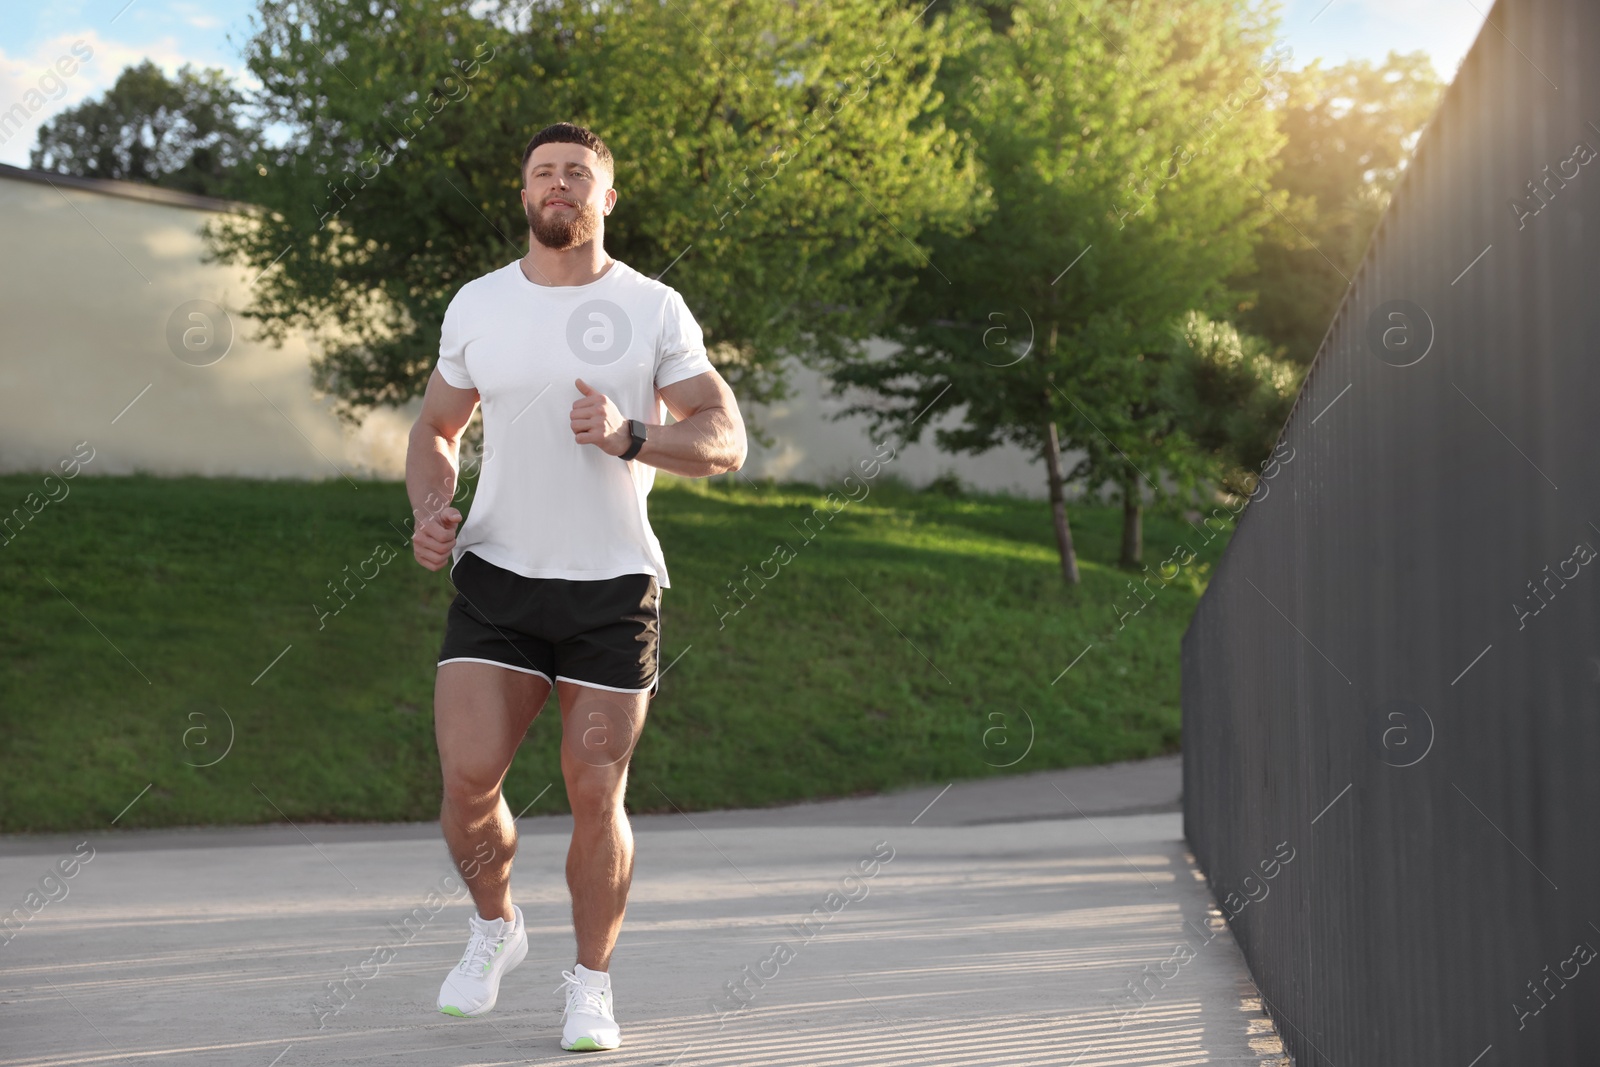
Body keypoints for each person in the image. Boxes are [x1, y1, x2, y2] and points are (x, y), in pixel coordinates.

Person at [404, 121, 747, 1052]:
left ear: (607, 196)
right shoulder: (477, 304)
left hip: (611, 586)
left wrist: (631, 435)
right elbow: (437, 428)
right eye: (543, 173)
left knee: (596, 790)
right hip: (498, 576)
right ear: (524, 196)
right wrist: (433, 508)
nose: (559, 185)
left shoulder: (654, 307)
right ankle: (494, 927)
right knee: (468, 782)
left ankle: (590, 985)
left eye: (578, 174)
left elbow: (724, 436)